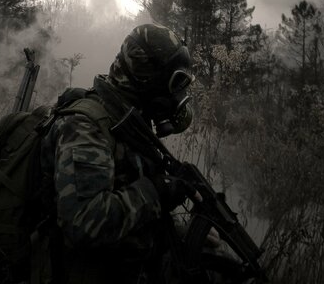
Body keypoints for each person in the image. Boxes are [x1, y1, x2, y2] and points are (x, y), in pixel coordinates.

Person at [40, 23, 203, 284]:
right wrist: (157, 191)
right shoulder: (86, 126)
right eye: (175, 82)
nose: (178, 96)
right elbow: (85, 223)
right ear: (145, 75)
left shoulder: (128, 122)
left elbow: (130, 203)